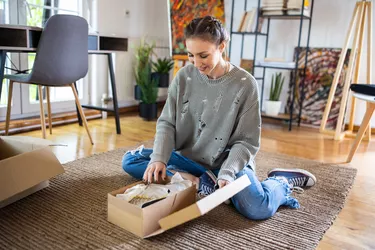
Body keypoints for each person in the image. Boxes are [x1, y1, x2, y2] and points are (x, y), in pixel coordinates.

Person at [122, 16, 316, 220]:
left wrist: (228, 173)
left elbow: (247, 142)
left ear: (222, 46)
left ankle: (280, 181)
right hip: (188, 158)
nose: (196, 63)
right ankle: (193, 180)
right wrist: (159, 158)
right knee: (131, 160)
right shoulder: (183, 76)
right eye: (190, 55)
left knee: (258, 208)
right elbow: (167, 122)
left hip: (225, 162)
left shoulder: (245, 84)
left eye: (203, 55)